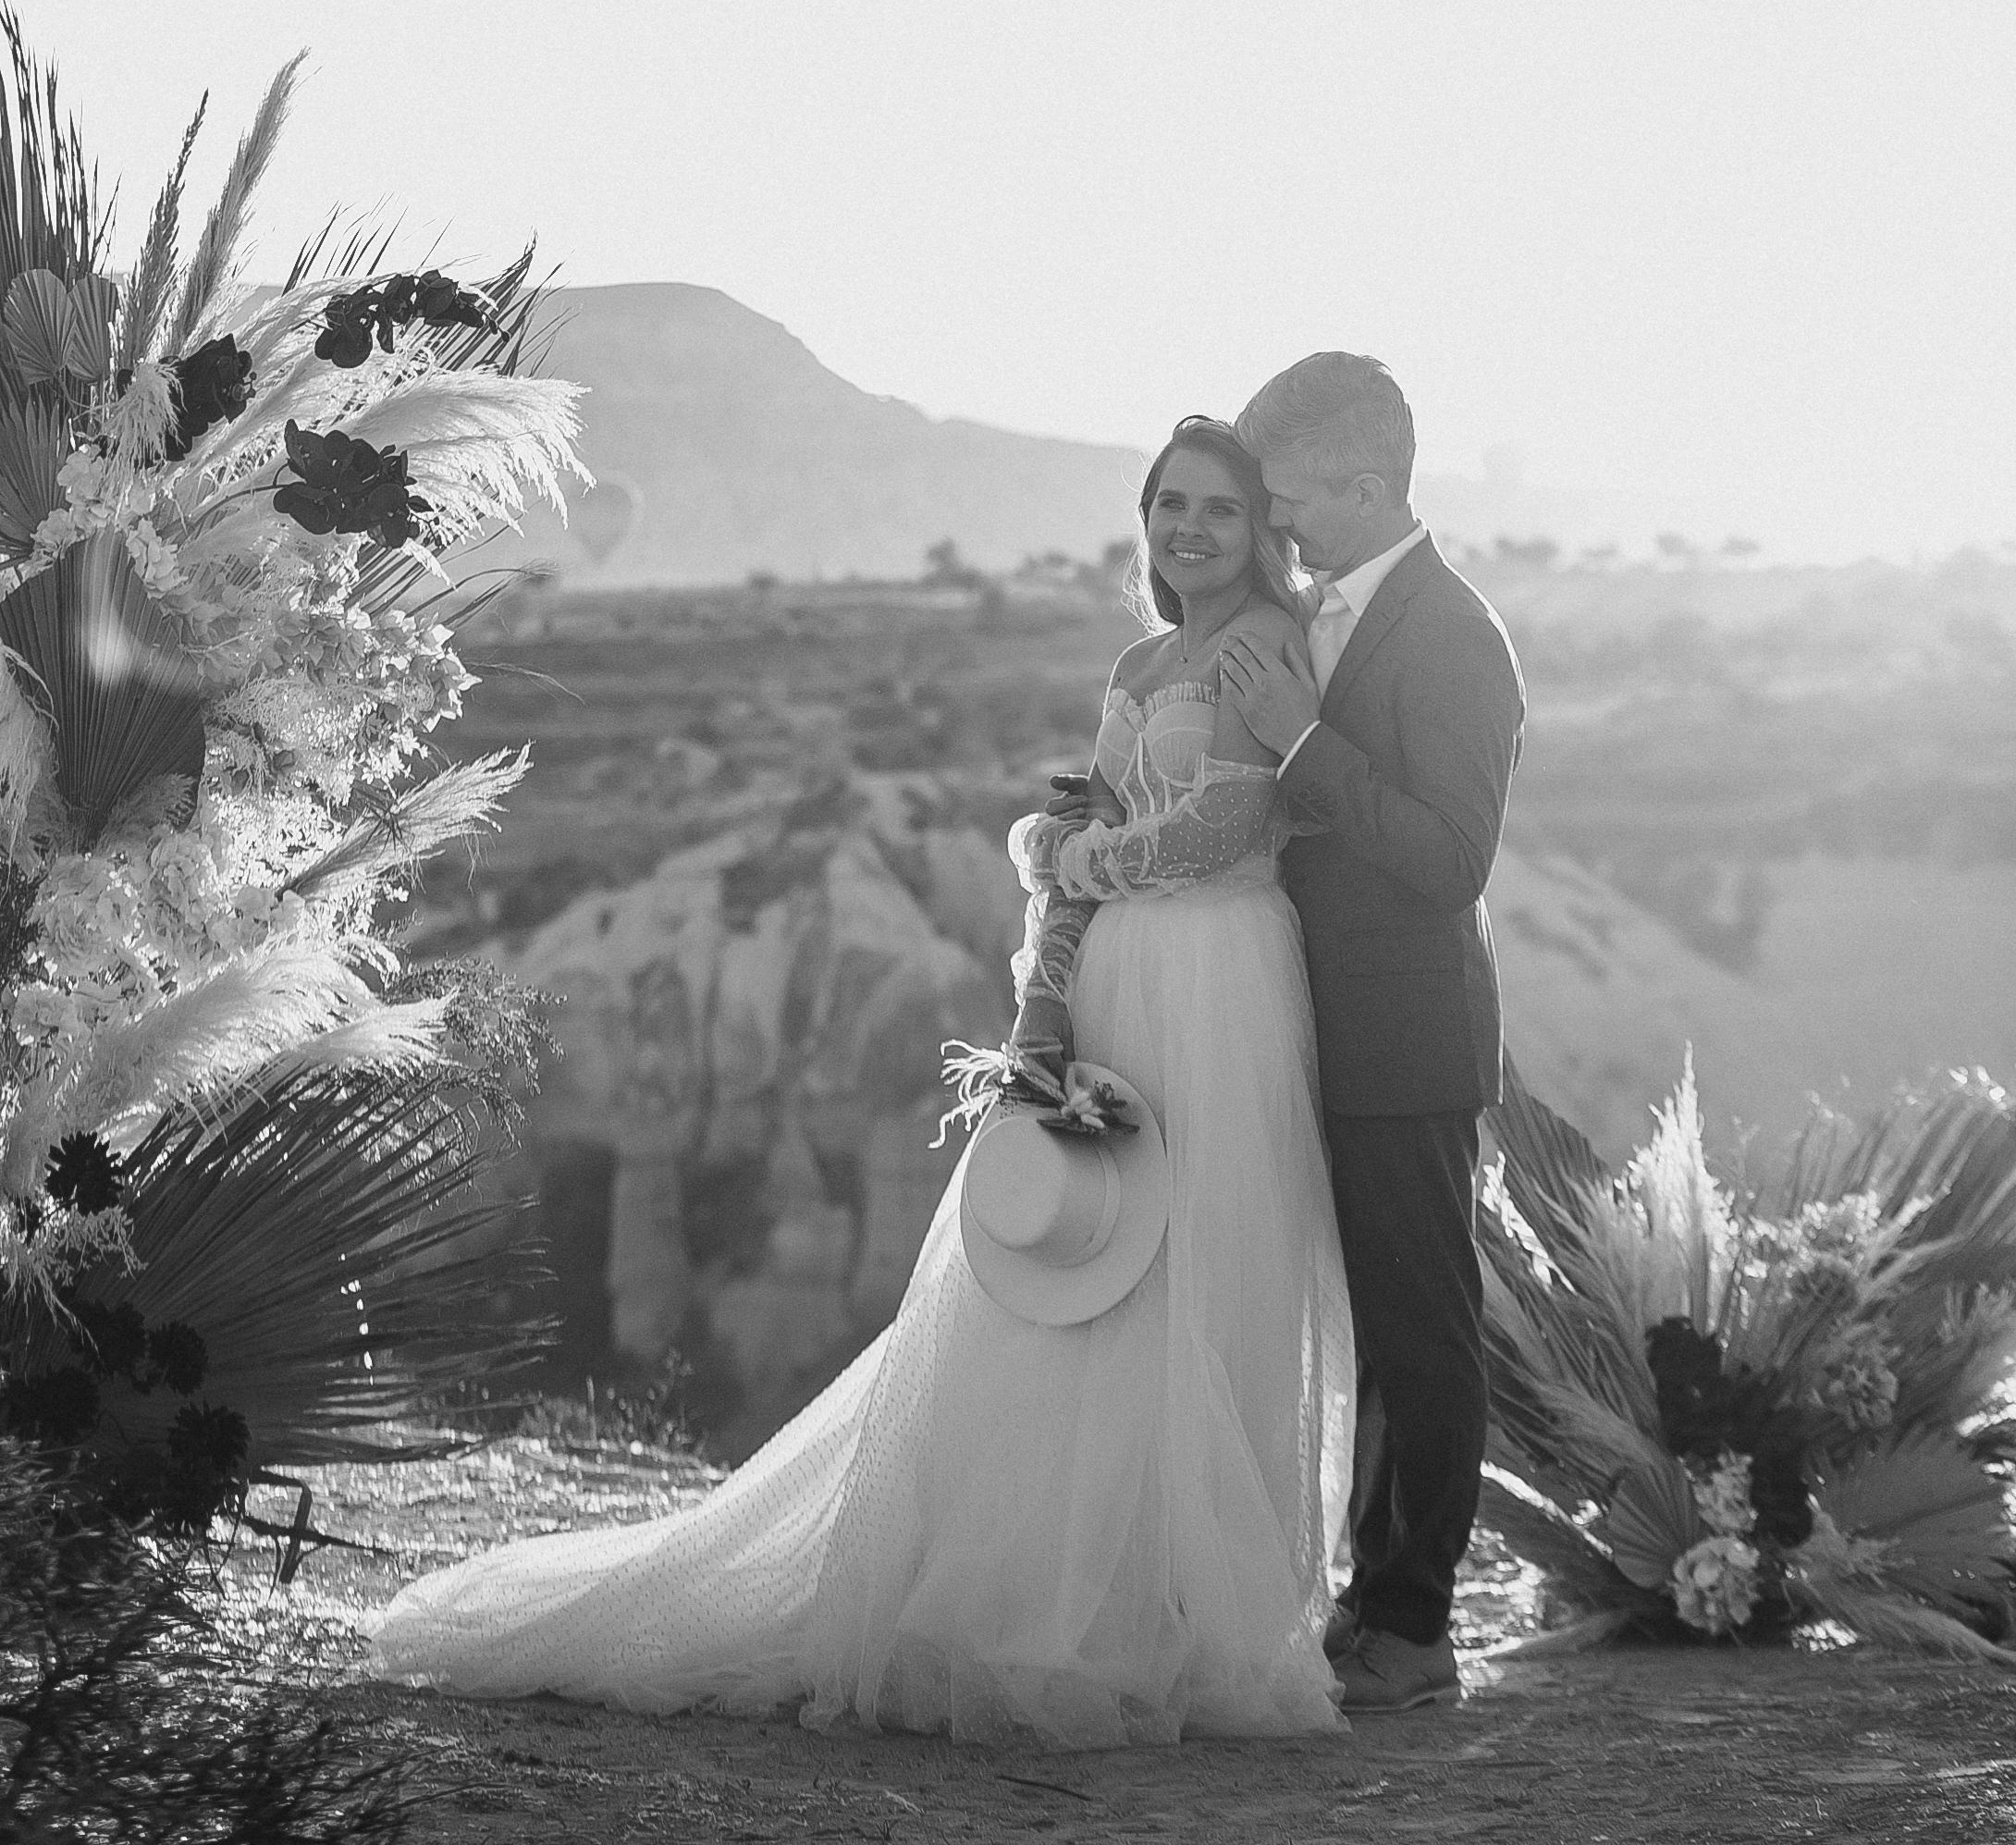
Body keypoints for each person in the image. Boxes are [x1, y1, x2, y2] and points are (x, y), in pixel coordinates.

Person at [366, 419, 1357, 1746]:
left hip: (1223, 985)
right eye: (1170, 503)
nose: (1189, 529)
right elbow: (1098, 819)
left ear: (1258, 530)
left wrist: (1067, 858)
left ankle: (1173, 1611)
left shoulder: (1264, 650)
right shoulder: (1141, 659)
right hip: (1124, 983)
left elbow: (1227, 825)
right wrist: (1045, 990)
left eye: (1219, 510)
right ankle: (1065, 1586)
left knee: (1201, 1277)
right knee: (1086, 1282)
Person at [1216, 353, 1526, 1715]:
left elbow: (1451, 858)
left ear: (1368, 484)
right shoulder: (1320, 609)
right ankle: (1365, 1598)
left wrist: (1298, 747)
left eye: (1293, 502)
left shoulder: (1456, 634)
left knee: (1421, 1332)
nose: (1277, 528)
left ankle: (1415, 1624)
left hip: (1405, 1038)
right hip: (1308, 1025)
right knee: (1363, 1329)